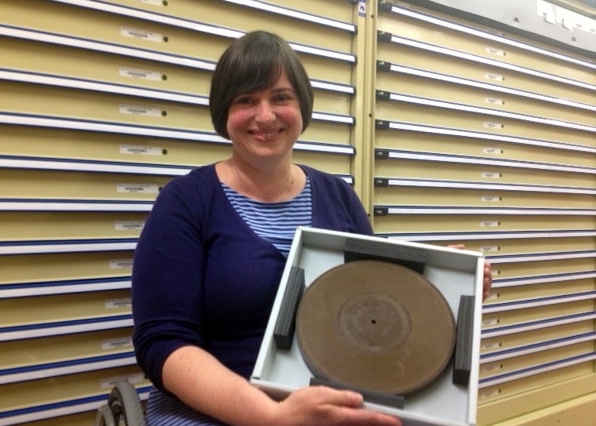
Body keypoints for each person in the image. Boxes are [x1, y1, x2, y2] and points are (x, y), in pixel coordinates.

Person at [132, 30, 491, 426]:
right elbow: (165, 343)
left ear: (302, 106)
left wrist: (448, 287)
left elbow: (371, 304)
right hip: (212, 411)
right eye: (246, 100)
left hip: (335, 403)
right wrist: (271, 416)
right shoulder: (186, 202)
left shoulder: (337, 196)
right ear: (224, 113)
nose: (265, 115)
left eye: (281, 98)